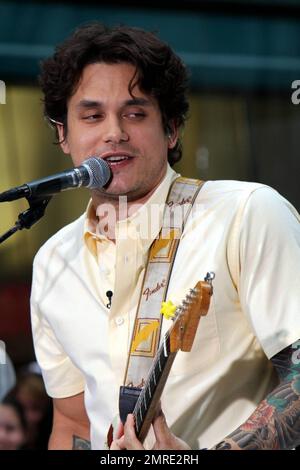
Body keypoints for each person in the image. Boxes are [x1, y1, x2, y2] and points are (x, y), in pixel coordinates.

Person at [30, 22, 300, 450]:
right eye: (92, 115)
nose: (114, 131)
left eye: (135, 113)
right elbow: (71, 423)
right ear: (63, 133)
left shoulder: (246, 213)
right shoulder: (52, 262)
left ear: (171, 128)